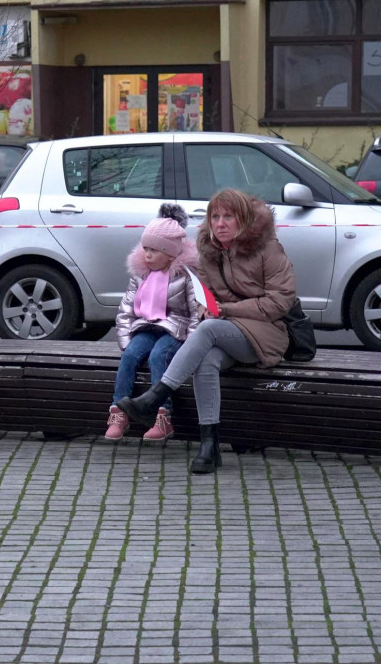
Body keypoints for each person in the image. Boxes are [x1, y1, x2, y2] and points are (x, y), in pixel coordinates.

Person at [116, 189, 296, 474]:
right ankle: (209, 446)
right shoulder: (209, 250)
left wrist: (225, 310)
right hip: (226, 331)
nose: (220, 223)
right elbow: (207, 293)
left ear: (244, 220)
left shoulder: (268, 248)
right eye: (215, 217)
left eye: (228, 217)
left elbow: (280, 302)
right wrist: (206, 305)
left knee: (210, 329)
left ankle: (154, 398)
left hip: (267, 334)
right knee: (206, 360)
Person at [106, 203, 199, 441]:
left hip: (174, 331)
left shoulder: (186, 276)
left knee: (159, 356)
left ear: (170, 253)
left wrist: (191, 344)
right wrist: (126, 341)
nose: (147, 255)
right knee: (129, 356)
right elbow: (126, 310)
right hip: (145, 327)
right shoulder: (141, 275)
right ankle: (119, 412)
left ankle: (163, 416)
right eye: (145, 248)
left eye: (154, 250)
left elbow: (196, 312)